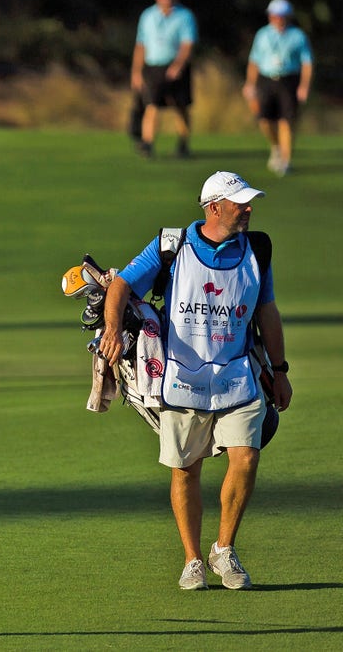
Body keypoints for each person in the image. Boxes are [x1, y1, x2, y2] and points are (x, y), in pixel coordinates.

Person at [99, 171, 293, 591]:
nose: (248, 208)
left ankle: (224, 549)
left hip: (238, 378)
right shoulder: (171, 248)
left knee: (246, 457)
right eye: (240, 201)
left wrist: (280, 370)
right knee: (185, 470)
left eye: (248, 201)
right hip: (182, 381)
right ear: (214, 207)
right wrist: (112, 330)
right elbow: (120, 284)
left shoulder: (257, 250)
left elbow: (267, 313)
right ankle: (192, 559)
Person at [243, 0, 313, 177]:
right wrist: (250, 83)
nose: (277, 19)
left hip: (289, 80)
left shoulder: (298, 36)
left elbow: (307, 63)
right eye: (274, 15)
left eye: (281, 16)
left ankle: (285, 161)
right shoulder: (263, 34)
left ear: (288, 17)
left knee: (286, 121)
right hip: (267, 79)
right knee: (265, 120)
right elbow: (254, 60)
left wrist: (304, 86)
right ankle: (276, 147)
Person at [131, 0, 197, 159]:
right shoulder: (147, 16)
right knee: (151, 105)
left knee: (180, 107)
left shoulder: (185, 16)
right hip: (153, 66)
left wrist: (178, 65)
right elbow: (141, 45)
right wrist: (136, 71)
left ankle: (183, 143)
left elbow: (187, 44)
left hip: (176, 68)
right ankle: (147, 143)